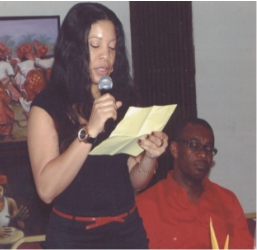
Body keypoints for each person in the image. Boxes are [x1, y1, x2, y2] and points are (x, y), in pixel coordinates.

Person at [27, 2, 168, 248]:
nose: (106, 56)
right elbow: (46, 190)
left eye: (113, 48)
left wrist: (149, 157)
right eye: (95, 45)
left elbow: (134, 181)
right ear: (73, 48)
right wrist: (90, 132)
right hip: (74, 235)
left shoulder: (122, 99)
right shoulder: (47, 106)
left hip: (127, 231)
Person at [135, 118, 255, 249]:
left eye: (208, 148)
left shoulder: (228, 201)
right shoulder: (147, 205)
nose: (203, 154)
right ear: (175, 149)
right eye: (195, 146)